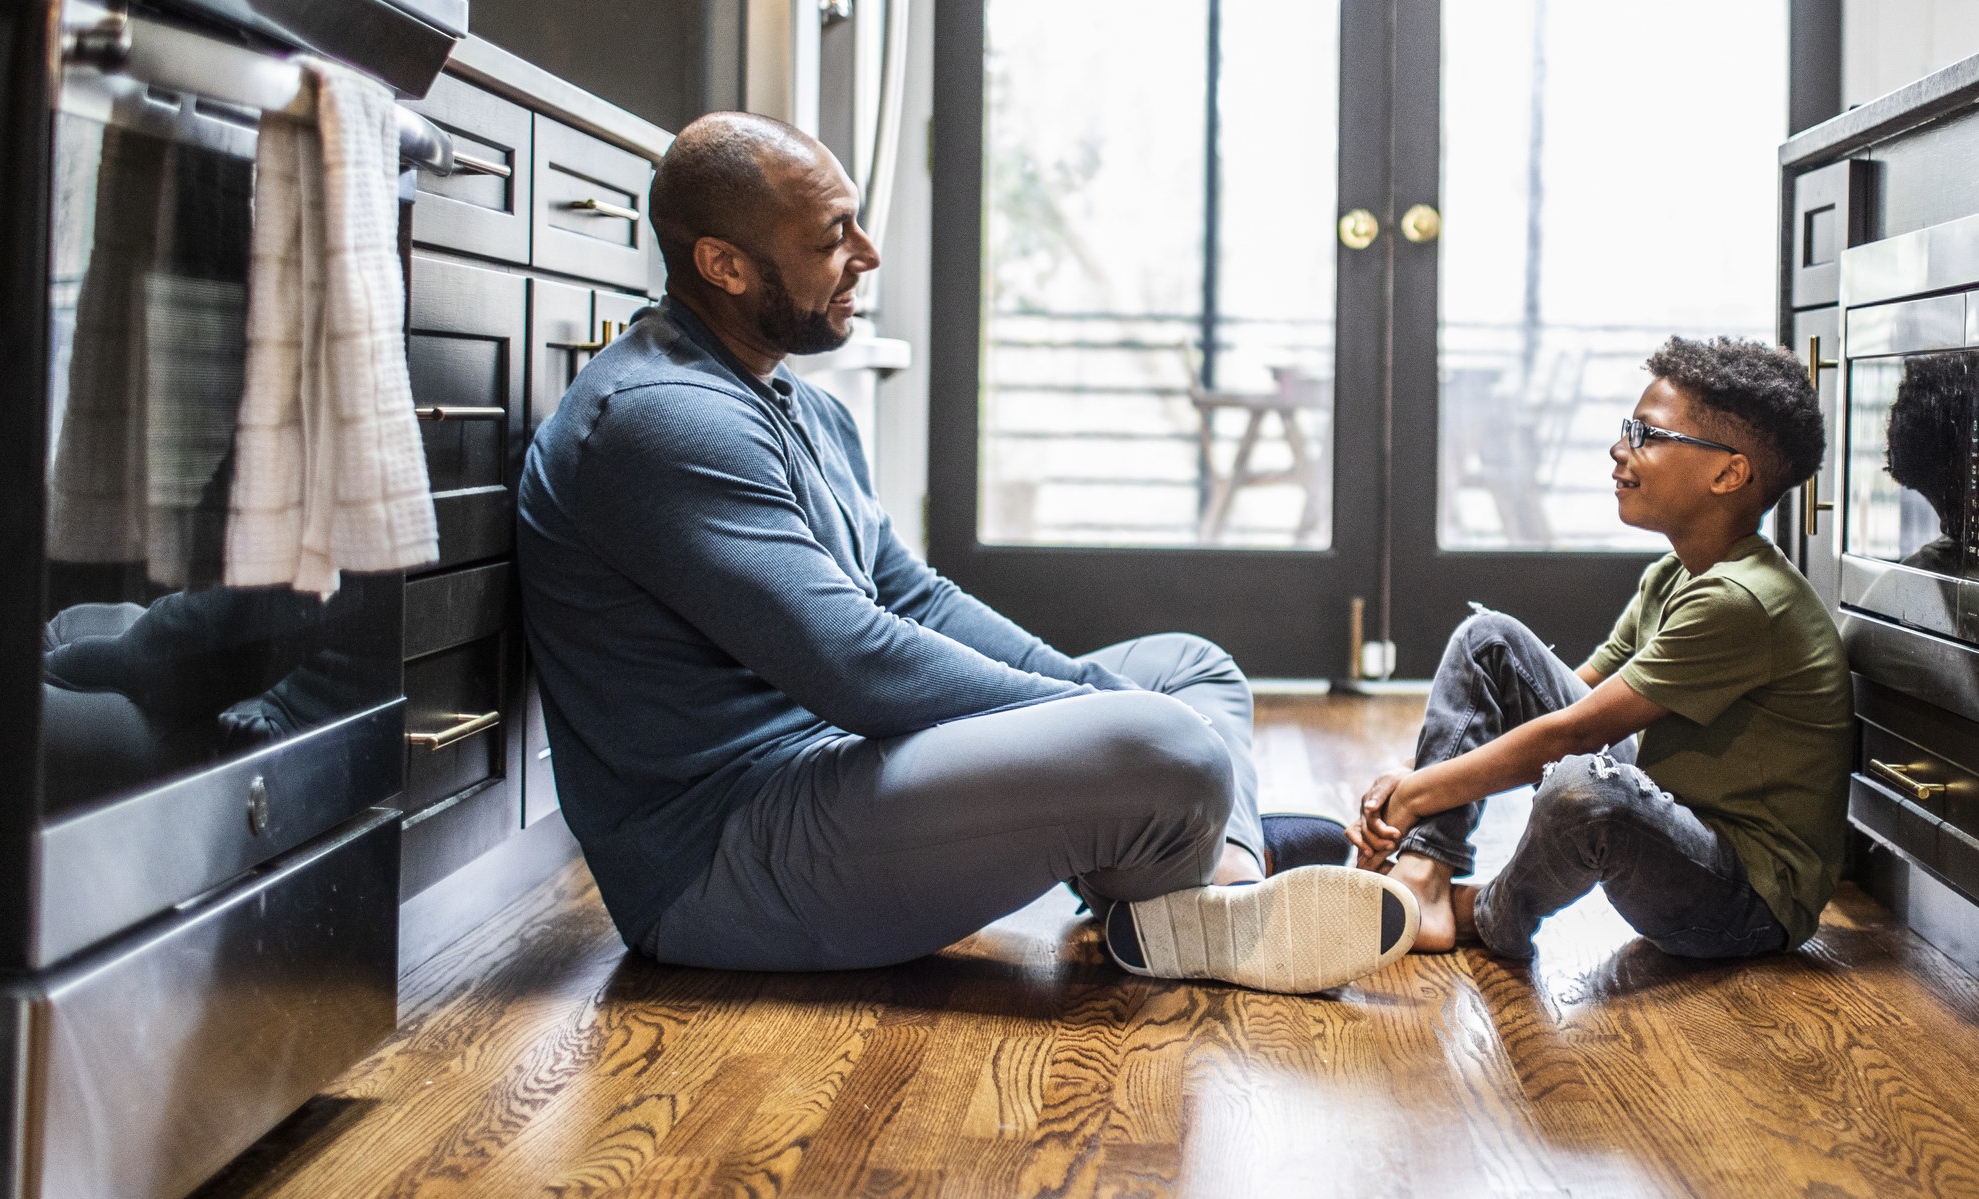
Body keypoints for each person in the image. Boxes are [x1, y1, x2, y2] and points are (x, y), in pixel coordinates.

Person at [516, 114, 1415, 994]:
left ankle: (1213, 890)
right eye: (834, 237)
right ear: (723, 264)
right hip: (728, 859)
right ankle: (1203, 855)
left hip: (840, 770)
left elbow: (914, 600)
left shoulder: (800, 405)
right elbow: (858, 666)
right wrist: (1092, 715)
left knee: (1190, 669)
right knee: (1169, 744)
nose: (866, 254)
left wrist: (1086, 704)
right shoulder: (661, 418)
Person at [1351, 338, 1854, 964]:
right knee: (1490, 643)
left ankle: (1485, 912)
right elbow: (1556, 698)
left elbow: (1572, 734)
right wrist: (1419, 781)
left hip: (1741, 901)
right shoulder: (1675, 574)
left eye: (1647, 434)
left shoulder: (1743, 600)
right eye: (1627, 429)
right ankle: (1424, 874)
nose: (1620, 449)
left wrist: (1416, 791)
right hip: (1674, 818)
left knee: (1585, 787)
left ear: (1729, 473)